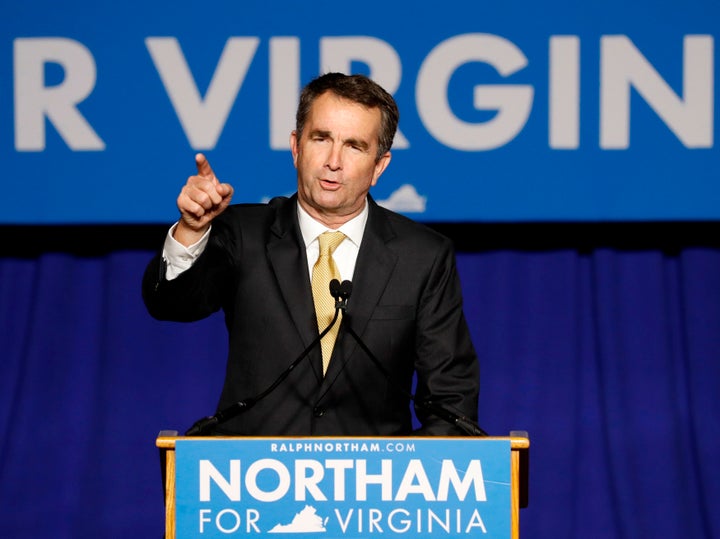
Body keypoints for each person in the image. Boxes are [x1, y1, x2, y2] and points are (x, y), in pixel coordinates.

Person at [142, 72, 480, 436]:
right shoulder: (244, 233)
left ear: (379, 166)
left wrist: (408, 478)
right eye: (321, 138)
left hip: (373, 487)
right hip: (252, 481)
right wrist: (192, 229)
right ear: (296, 147)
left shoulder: (422, 257)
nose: (333, 161)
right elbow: (171, 305)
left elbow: (451, 402)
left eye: (354, 146)